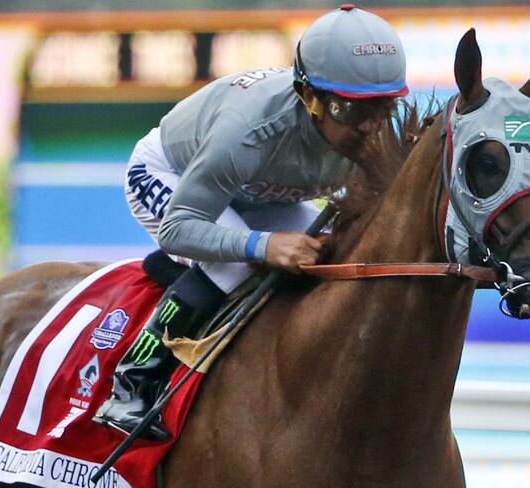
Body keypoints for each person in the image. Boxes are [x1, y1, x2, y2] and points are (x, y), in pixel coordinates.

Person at [93, 4, 408, 440]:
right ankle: (131, 383)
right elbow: (178, 228)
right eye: (352, 110)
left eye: (384, 106)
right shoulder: (248, 129)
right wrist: (262, 246)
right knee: (235, 265)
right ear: (310, 97)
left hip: (256, 191)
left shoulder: (369, 128)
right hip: (174, 176)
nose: (371, 127)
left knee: (332, 254)